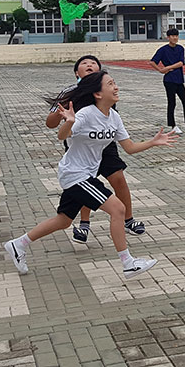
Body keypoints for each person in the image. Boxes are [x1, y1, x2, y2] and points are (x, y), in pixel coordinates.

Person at [4, 70, 173, 278]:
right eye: (111, 84)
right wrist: (69, 122)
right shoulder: (85, 114)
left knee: (64, 220)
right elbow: (61, 136)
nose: (116, 87)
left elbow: (129, 147)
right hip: (75, 174)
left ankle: (18, 244)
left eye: (115, 83)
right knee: (118, 209)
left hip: (85, 175)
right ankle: (128, 262)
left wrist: (153, 143)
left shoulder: (114, 117)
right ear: (98, 93)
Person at [46, 55, 146, 243]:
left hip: (104, 143)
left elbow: (111, 115)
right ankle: (84, 225)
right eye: (84, 63)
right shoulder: (69, 92)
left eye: (93, 63)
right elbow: (51, 124)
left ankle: (128, 219)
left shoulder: (105, 88)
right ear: (77, 72)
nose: (89, 65)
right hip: (80, 147)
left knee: (119, 179)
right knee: (87, 184)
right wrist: (61, 115)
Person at [149, 28, 185, 134]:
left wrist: (167, 67)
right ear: (168, 37)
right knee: (172, 102)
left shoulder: (180, 48)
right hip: (169, 80)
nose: (175, 38)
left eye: (176, 36)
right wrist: (160, 70)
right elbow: (152, 62)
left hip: (179, 79)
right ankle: (173, 125)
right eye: (172, 36)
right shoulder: (163, 50)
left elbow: (181, 63)